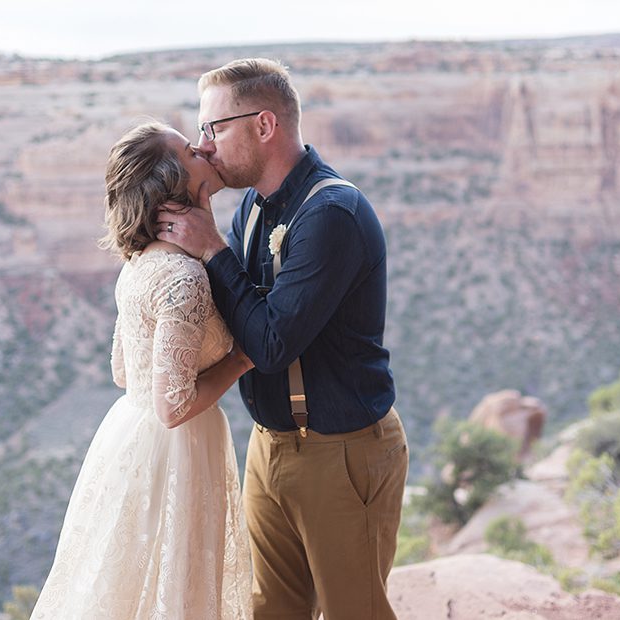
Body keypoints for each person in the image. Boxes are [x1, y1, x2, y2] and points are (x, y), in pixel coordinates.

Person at [157, 58, 410, 620]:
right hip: (269, 446)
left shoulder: (332, 214)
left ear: (264, 125)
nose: (204, 145)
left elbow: (271, 345)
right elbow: (235, 319)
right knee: (270, 610)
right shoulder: (251, 206)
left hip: (341, 451)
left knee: (355, 611)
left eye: (214, 128)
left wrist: (213, 250)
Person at [31, 122, 252, 619]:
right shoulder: (185, 279)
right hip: (179, 450)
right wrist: (240, 358)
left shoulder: (138, 266)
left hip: (128, 438)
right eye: (190, 151)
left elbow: (123, 371)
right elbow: (173, 408)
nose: (202, 150)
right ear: (174, 185)